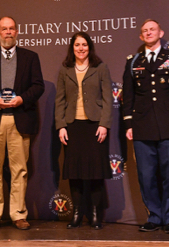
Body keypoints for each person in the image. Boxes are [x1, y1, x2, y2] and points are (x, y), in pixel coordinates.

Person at [0, 16, 44, 230]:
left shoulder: (31, 57)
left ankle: (18, 214)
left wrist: (22, 99)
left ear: (17, 32)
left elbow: (38, 86)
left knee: (19, 170)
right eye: (4, 29)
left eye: (12, 28)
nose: (8, 32)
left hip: (19, 119)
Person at [122, 19, 169, 234]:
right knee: (146, 174)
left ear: (160, 32)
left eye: (152, 29)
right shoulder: (134, 61)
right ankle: (153, 217)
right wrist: (128, 123)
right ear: (141, 37)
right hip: (142, 126)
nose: (148, 32)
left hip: (168, 125)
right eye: (144, 31)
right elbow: (128, 95)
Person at [54, 32, 112, 230]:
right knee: (75, 173)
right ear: (72, 47)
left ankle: (95, 215)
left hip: (95, 127)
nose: (81, 48)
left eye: (84, 45)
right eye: (77, 45)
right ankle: (77, 214)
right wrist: (61, 125)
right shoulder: (65, 69)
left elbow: (107, 99)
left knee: (96, 173)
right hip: (72, 127)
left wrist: (104, 124)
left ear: (90, 47)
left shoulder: (101, 67)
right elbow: (59, 100)